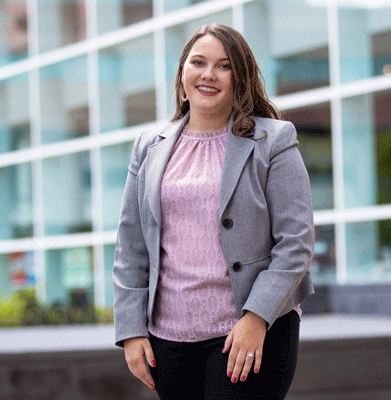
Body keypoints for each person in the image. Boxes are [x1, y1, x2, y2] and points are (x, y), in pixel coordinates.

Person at [112, 23, 314, 400]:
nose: (208, 74)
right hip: (168, 339)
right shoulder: (148, 146)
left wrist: (256, 318)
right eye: (198, 62)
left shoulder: (273, 141)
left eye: (223, 66)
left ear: (241, 78)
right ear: (182, 72)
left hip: (248, 331)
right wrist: (131, 329)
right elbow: (131, 244)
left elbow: (297, 243)